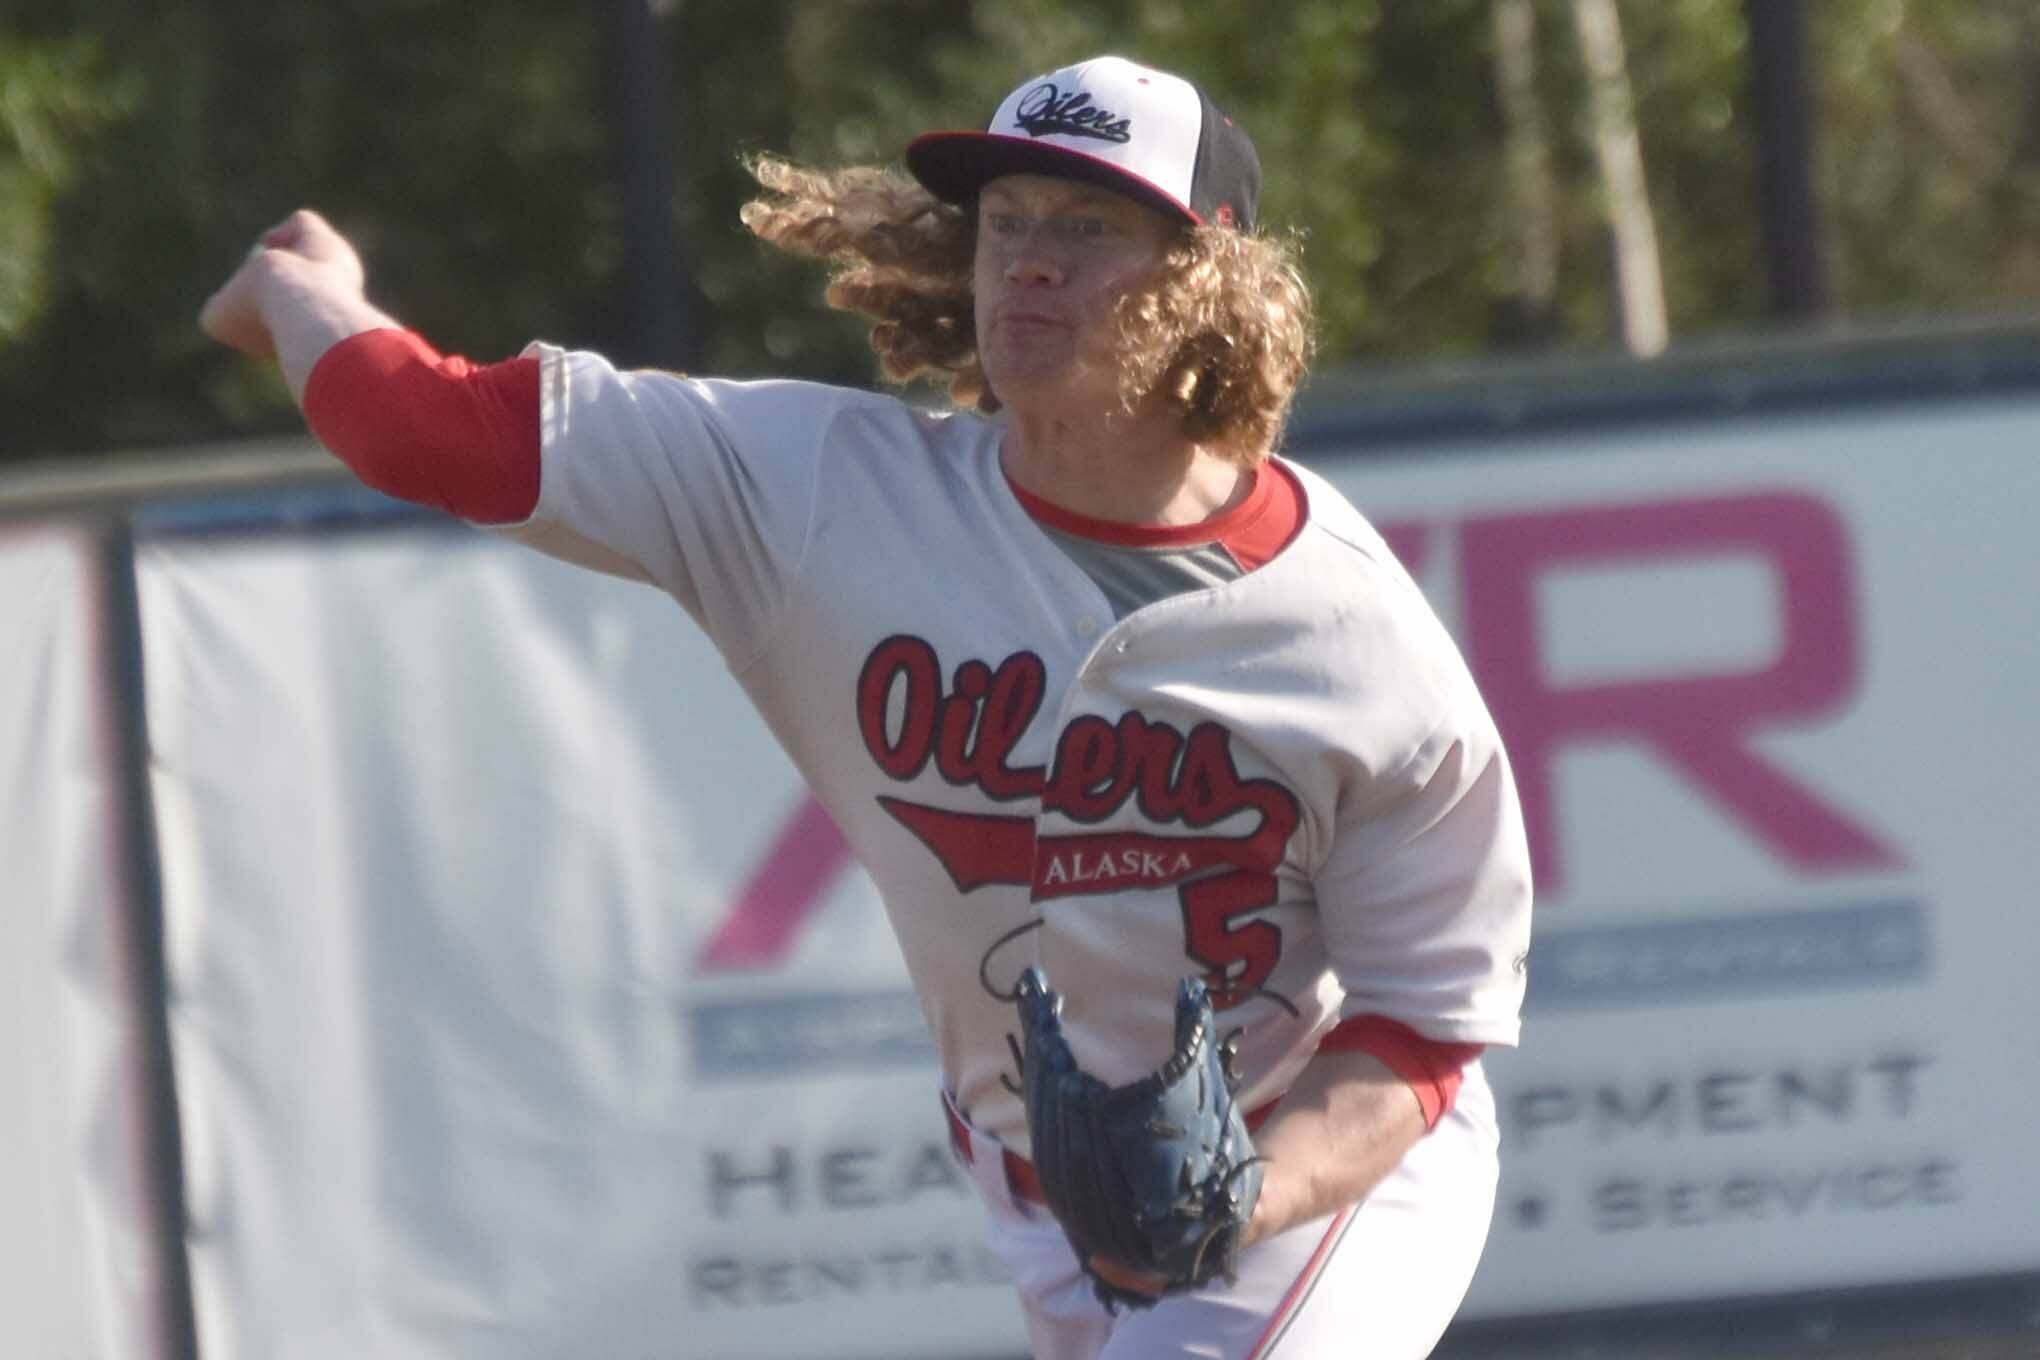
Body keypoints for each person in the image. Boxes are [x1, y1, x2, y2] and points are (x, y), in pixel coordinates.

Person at [200, 54, 1531, 1360]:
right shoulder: (814, 495)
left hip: (1316, 1173)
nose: (1030, 260)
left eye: (1088, 225)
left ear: (1213, 285)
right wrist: (307, 292)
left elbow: (1425, 1023)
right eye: (1005, 222)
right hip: (1038, 1193)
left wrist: (1242, 1192)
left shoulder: (1350, 629)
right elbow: (428, 432)